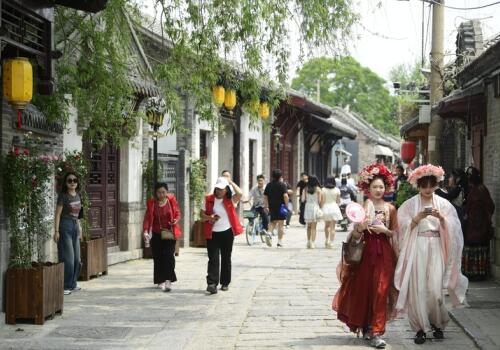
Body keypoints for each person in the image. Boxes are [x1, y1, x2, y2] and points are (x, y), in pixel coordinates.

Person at [394, 164, 468, 345]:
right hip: (417, 247)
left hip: (436, 247)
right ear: (417, 186)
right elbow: (400, 227)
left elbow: (455, 227)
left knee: (435, 291)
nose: (427, 189)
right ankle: (419, 328)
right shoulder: (409, 205)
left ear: (436, 184)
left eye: (431, 185)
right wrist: (416, 219)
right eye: (423, 185)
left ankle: (437, 324)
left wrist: (442, 219)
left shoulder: (444, 204)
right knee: (417, 290)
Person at [333, 163, 398, 349]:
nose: (378, 190)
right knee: (365, 290)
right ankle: (367, 326)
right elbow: (354, 235)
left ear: (385, 188)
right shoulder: (361, 209)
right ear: (367, 188)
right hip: (365, 253)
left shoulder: (391, 209)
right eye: (375, 187)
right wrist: (360, 228)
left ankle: (377, 331)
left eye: (381, 187)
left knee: (381, 290)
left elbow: (395, 233)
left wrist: (385, 230)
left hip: (384, 253)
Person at [200, 177, 243, 294]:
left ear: (226, 190)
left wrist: (230, 181)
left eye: (222, 189)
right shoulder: (208, 199)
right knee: (213, 258)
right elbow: (201, 215)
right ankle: (212, 283)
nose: (219, 191)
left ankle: (225, 283)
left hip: (227, 233)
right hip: (212, 233)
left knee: (226, 258)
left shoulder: (230, 200)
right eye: (217, 188)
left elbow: (240, 193)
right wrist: (210, 218)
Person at [143, 182, 182, 292]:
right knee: (158, 257)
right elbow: (147, 218)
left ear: (167, 192)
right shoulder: (152, 203)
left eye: (164, 192)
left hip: (169, 233)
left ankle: (169, 279)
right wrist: (145, 230)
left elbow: (178, 213)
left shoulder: (171, 200)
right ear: (155, 193)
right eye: (159, 192)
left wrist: (176, 220)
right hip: (156, 233)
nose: (161, 194)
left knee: (169, 256)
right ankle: (160, 280)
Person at [463, 167, 495, 281]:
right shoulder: (474, 189)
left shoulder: (481, 190)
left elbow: (491, 206)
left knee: (478, 248)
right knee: (472, 248)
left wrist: (483, 218)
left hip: (479, 226)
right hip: (472, 226)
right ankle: (472, 272)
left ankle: (478, 273)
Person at [54, 172, 83, 295]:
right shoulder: (63, 196)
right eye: (69, 180)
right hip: (65, 226)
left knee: (77, 259)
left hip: (75, 226)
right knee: (68, 258)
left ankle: (73, 284)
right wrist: (56, 231)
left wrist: (80, 229)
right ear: (66, 183)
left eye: (74, 180)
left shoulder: (78, 195)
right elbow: (58, 215)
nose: (72, 183)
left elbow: (78, 215)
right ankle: (65, 286)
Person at [264, 169, 289, 247]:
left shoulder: (268, 185)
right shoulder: (282, 185)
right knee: (281, 223)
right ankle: (279, 242)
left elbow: (265, 196)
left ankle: (269, 233)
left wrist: (266, 206)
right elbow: (285, 196)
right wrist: (286, 205)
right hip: (281, 206)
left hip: (272, 206)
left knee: (272, 221)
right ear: (281, 176)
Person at [249, 174, 272, 247]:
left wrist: (267, 206)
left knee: (265, 217)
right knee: (249, 214)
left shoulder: (267, 188)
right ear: (257, 181)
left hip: (263, 206)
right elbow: (250, 195)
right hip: (255, 205)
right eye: (259, 180)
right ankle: (253, 227)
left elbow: (269, 198)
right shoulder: (254, 188)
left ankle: (264, 229)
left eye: (261, 180)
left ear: (264, 181)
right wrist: (246, 200)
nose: (260, 182)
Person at [320, 177, 342, 249]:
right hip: (334, 208)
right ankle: (331, 242)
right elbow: (338, 201)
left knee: (327, 226)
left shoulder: (323, 190)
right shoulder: (337, 190)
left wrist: (320, 208)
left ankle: (326, 240)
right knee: (333, 227)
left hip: (326, 208)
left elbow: (322, 201)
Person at [302, 175, 322, 249]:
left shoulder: (305, 189)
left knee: (308, 227)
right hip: (315, 207)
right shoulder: (318, 190)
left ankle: (308, 241)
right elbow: (319, 201)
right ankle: (312, 243)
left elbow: (303, 199)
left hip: (308, 207)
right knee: (314, 227)